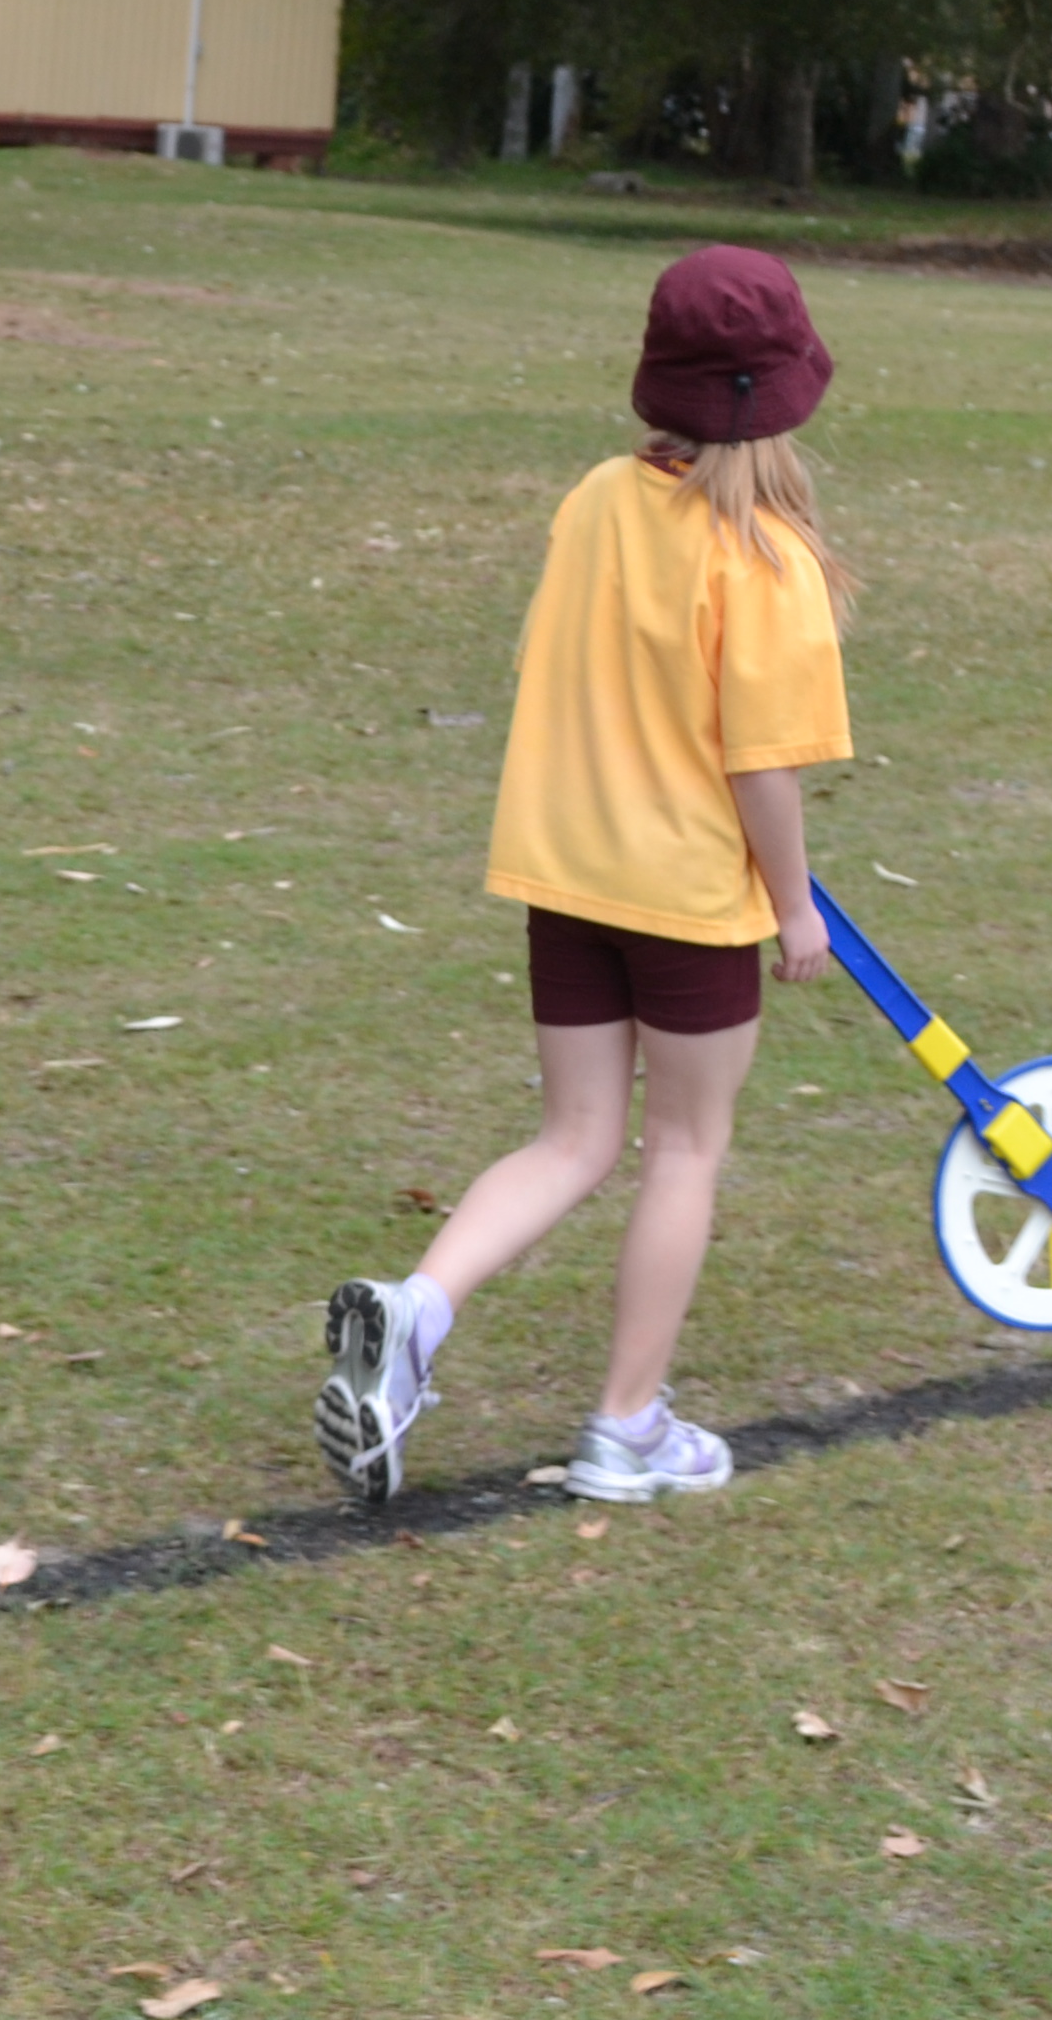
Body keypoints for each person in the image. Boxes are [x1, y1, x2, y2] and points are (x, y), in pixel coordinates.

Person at [317, 244, 854, 1510]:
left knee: (573, 1137)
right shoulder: (768, 562)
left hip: (567, 879)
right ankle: (628, 1426)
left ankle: (415, 1310)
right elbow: (763, 766)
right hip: (686, 900)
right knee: (685, 1146)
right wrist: (794, 903)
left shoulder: (595, 501)